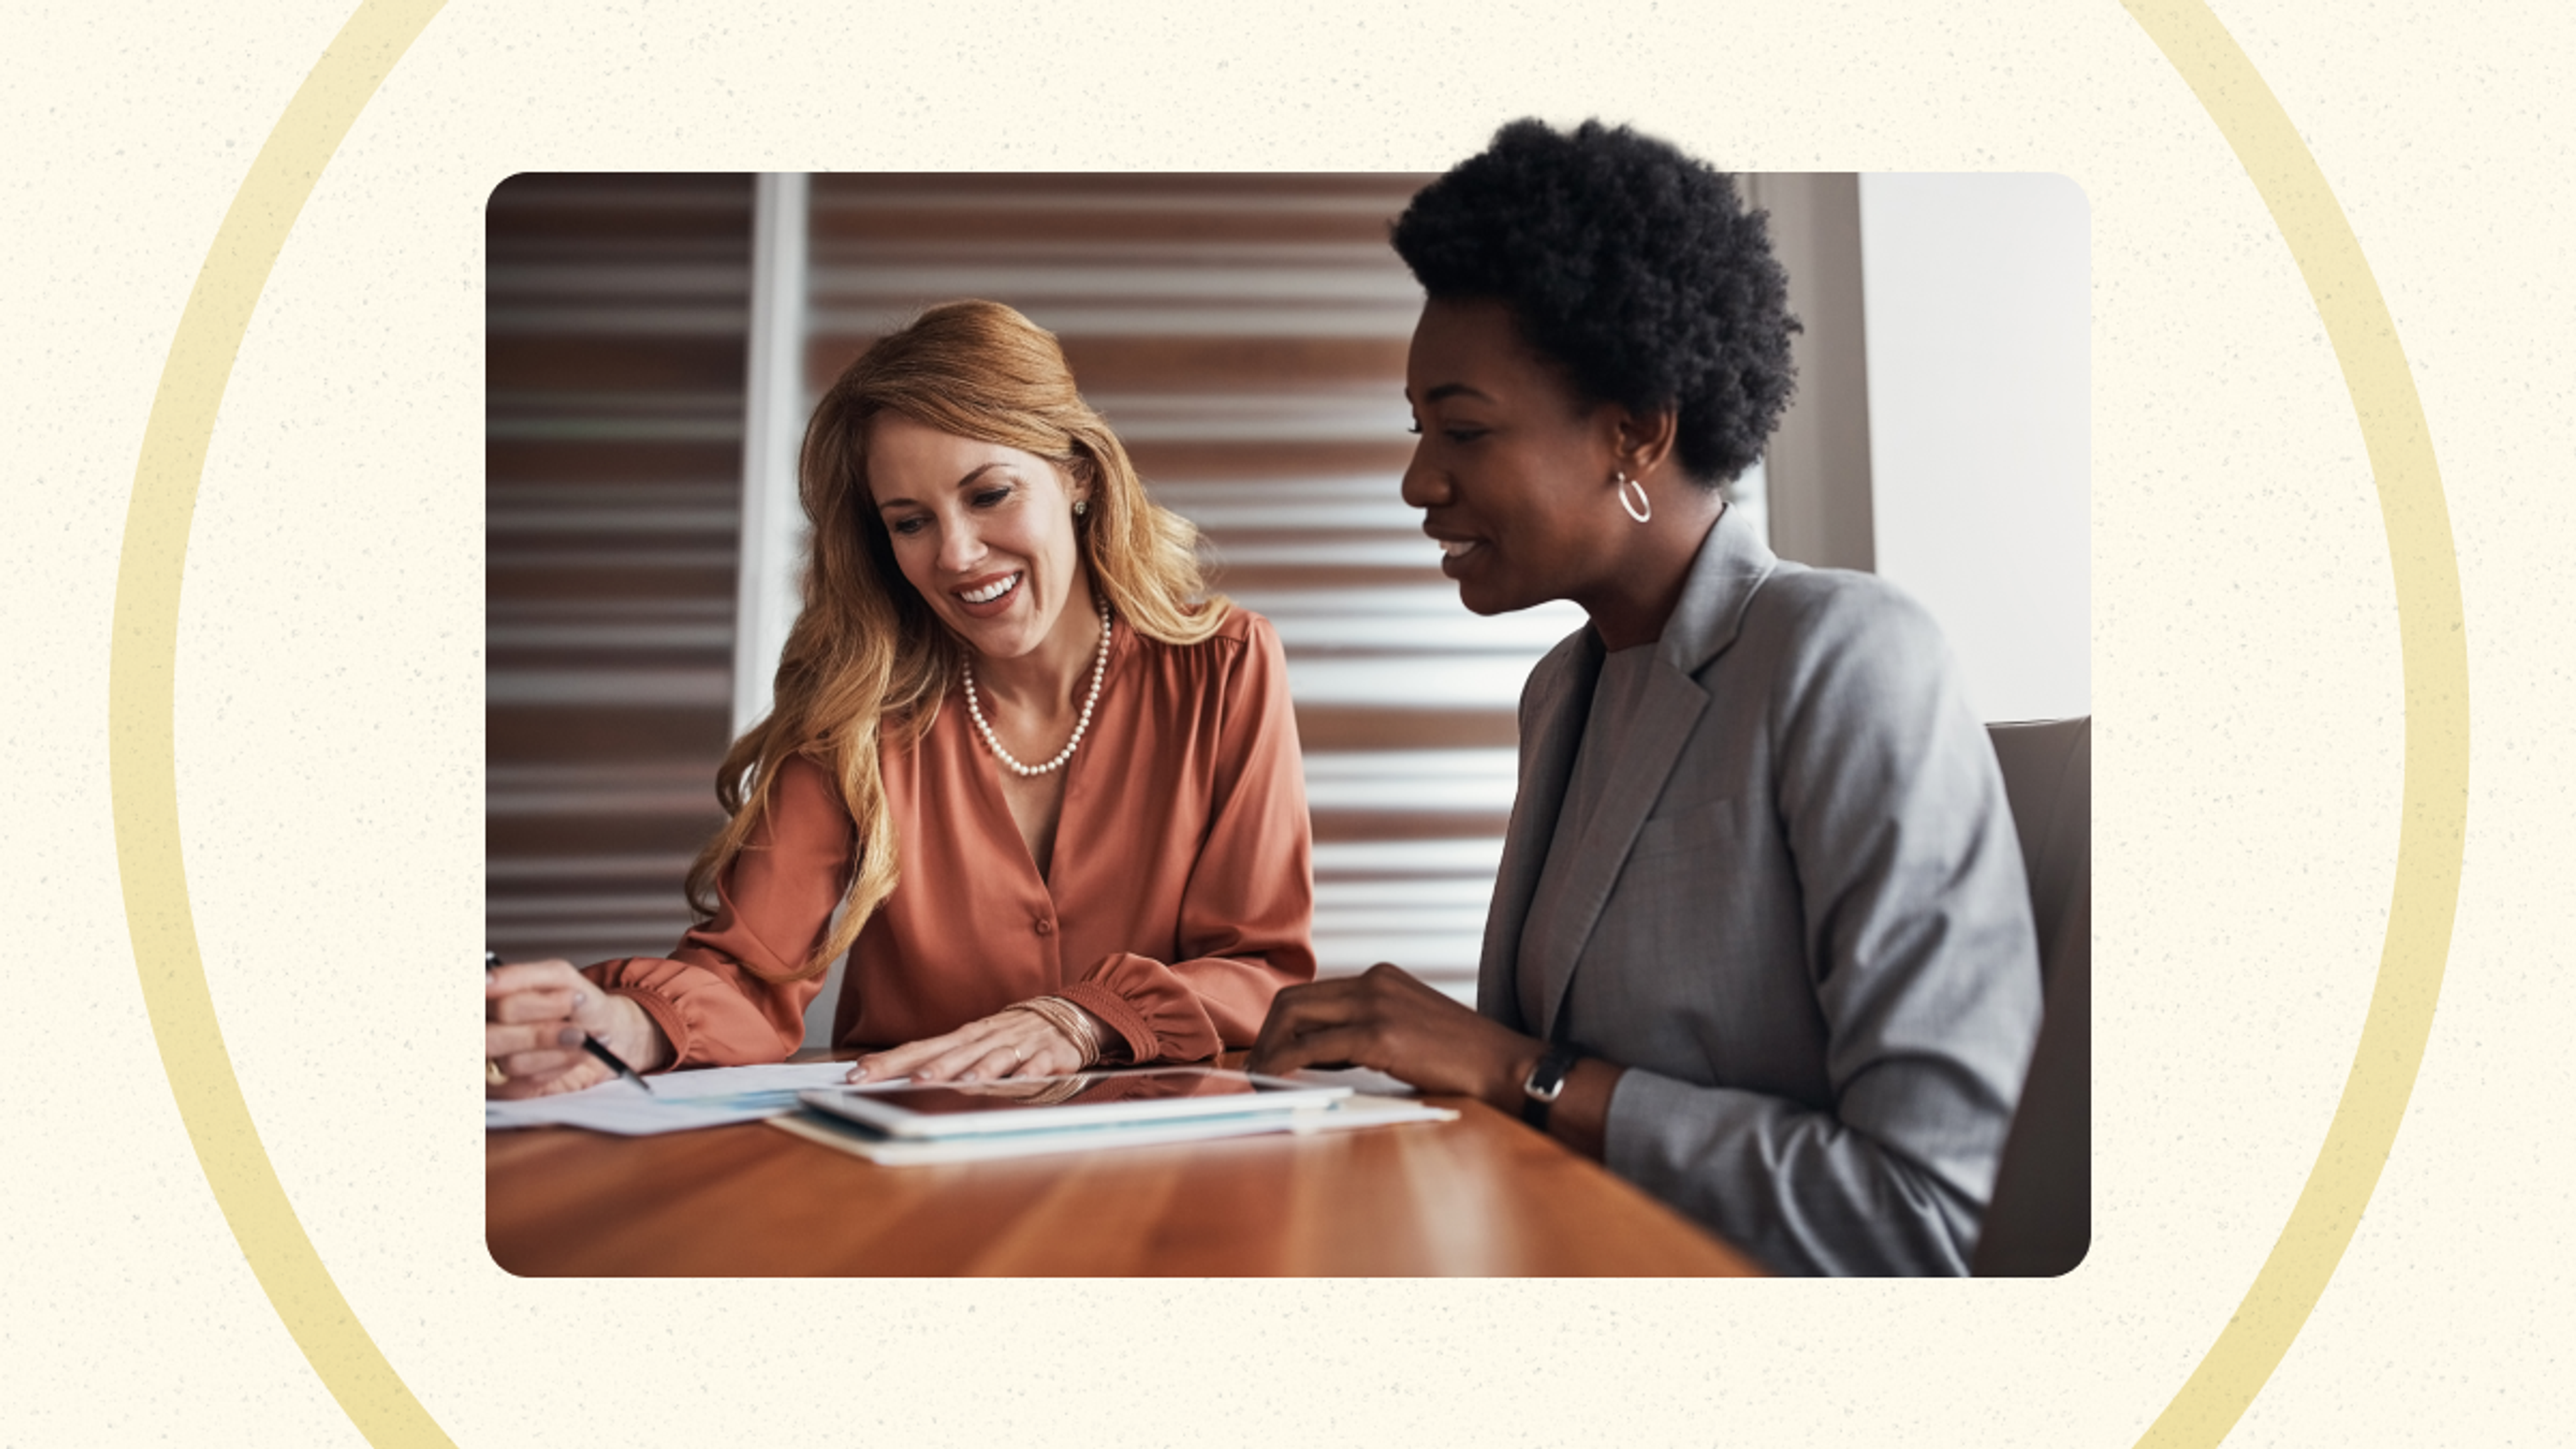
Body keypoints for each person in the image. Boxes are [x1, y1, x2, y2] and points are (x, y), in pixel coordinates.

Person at [1247, 120, 2043, 1276]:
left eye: (1464, 430)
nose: (1419, 481)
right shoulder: (1564, 689)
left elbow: (1929, 1208)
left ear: (1638, 432)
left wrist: (1519, 1071)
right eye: (1418, 430)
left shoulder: (1844, 655)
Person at [489, 299, 1315, 1096]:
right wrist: (615, 1028)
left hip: (1162, 1162)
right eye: (910, 521)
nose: (956, 555)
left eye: (989, 495)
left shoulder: (1225, 665)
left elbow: (1260, 968)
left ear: (1080, 477)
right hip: (912, 1165)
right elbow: (750, 975)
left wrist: (1084, 1019)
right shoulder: (856, 708)